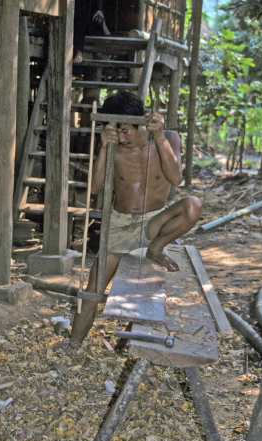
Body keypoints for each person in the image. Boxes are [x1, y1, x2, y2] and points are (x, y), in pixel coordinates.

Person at [69, 91, 202, 345]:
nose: (121, 137)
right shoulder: (113, 147)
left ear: (140, 122)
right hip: (119, 225)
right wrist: (103, 147)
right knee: (93, 292)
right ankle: (73, 344)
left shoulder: (168, 138)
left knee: (193, 205)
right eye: (115, 131)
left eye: (125, 130)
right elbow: (94, 188)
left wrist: (160, 136)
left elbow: (176, 179)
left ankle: (156, 249)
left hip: (154, 223)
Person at [73, 0, 110, 64]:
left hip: (91, 27)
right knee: (80, 21)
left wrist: (99, 17)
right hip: (78, 27)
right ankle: (79, 52)